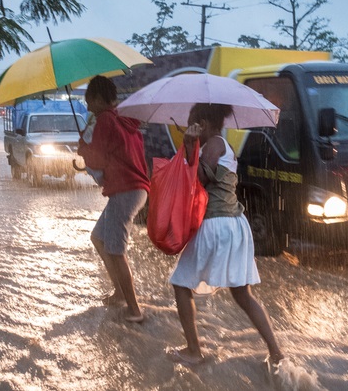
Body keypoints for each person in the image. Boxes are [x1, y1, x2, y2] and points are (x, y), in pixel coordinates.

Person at [167, 103, 285, 372]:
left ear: (203, 124)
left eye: (192, 124)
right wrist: (191, 148)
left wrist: (189, 146)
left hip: (216, 224)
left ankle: (194, 351)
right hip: (234, 224)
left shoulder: (214, 144)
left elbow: (199, 179)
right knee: (243, 294)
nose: (188, 129)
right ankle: (276, 353)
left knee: (181, 284)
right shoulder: (224, 146)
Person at [78, 75, 150, 322]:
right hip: (135, 189)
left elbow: (98, 159)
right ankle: (119, 293)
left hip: (125, 190)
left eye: (89, 101)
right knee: (98, 238)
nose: (88, 107)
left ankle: (134, 310)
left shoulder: (105, 120)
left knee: (116, 251)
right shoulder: (124, 118)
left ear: (99, 99)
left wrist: (83, 148)